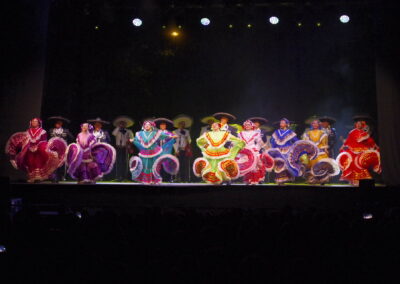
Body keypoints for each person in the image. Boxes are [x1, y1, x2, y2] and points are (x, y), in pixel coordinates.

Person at [6, 118, 67, 183]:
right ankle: (32, 177)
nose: (34, 122)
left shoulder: (43, 131)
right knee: (30, 163)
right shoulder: (27, 131)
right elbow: (25, 140)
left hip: (40, 150)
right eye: (32, 121)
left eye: (35, 121)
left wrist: (38, 146)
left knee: (40, 163)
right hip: (29, 150)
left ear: (39, 123)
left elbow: (44, 141)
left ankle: (41, 178)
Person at [267, 118, 317, 184]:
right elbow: (272, 141)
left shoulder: (290, 132)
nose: (281, 123)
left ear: (287, 124)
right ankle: (279, 179)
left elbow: (296, 141)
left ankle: (286, 178)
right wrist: (273, 149)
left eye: (283, 122)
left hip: (287, 151)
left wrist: (299, 147)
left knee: (287, 165)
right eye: (280, 122)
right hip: (278, 151)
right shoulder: (276, 132)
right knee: (279, 164)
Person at [336, 115, 381, 186]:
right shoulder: (352, 132)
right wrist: (342, 146)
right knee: (350, 162)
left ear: (362, 125)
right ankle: (353, 179)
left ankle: (360, 179)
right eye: (357, 124)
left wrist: (375, 146)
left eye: (360, 124)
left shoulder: (364, 133)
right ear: (355, 124)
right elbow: (348, 140)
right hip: (353, 150)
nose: (358, 125)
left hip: (362, 150)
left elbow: (370, 141)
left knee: (361, 164)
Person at [236, 120, 274, 185]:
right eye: (246, 125)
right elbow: (237, 142)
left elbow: (260, 142)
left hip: (253, 150)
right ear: (244, 126)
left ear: (252, 126)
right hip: (245, 151)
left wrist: (261, 148)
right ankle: (248, 180)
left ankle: (254, 180)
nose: (247, 126)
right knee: (247, 166)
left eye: (249, 125)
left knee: (255, 166)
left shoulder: (255, 133)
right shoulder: (240, 133)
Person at [302, 119, 340, 184]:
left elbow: (325, 144)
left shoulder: (322, 133)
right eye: (313, 123)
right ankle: (312, 179)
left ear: (319, 124)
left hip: (320, 151)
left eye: (316, 123)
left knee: (321, 164)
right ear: (312, 125)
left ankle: (322, 179)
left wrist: (326, 150)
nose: (315, 124)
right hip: (312, 152)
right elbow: (306, 143)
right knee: (310, 164)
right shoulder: (308, 133)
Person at [47, 116, 74, 182]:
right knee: (53, 163)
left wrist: (66, 142)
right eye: (56, 123)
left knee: (62, 163)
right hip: (53, 150)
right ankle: (53, 176)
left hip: (62, 150)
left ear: (61, 124)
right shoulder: (51, 130)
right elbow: (47, 139)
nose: (58, 124)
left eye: (59, 123)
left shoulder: (66, 131)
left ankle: (61, 176)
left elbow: (72, 138)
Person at [112, 116, 134, 181]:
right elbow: (113, 133)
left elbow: (132, 138)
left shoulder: (129, 131)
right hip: (118, 147)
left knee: (125, 162)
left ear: (126, 124)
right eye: (121, 123)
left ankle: (125, 177)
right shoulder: (117, 130)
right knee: (118, 162)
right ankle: (118, 176)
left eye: (123, 123)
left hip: (125, 148)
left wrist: (129, 144)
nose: (122, 124)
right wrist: (119, 127)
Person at [154, 117, 176, 182]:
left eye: (164, 125)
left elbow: (174, 139)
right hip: (158, 151)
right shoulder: (156, 133)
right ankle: (159, 178)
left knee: (168, 164)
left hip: (166, 151)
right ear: (159, 126)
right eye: (161, 125)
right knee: (159, 164)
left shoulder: (169, 133)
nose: (163, 126)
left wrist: (170, 137)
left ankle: (169, 178)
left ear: (166, 126)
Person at [173, 114, 193, 182]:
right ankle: (177, 178)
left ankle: (185, 179)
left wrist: (186, 136)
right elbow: (174, 142)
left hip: (185, 150)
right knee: (177, 164)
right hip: (178, 150)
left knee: (185, 165)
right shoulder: (175, 131)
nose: (182, 125)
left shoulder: (187, 131)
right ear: (178, 125)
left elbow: (189, 141)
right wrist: (176, 150)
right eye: (181, 124)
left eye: (183, 124)